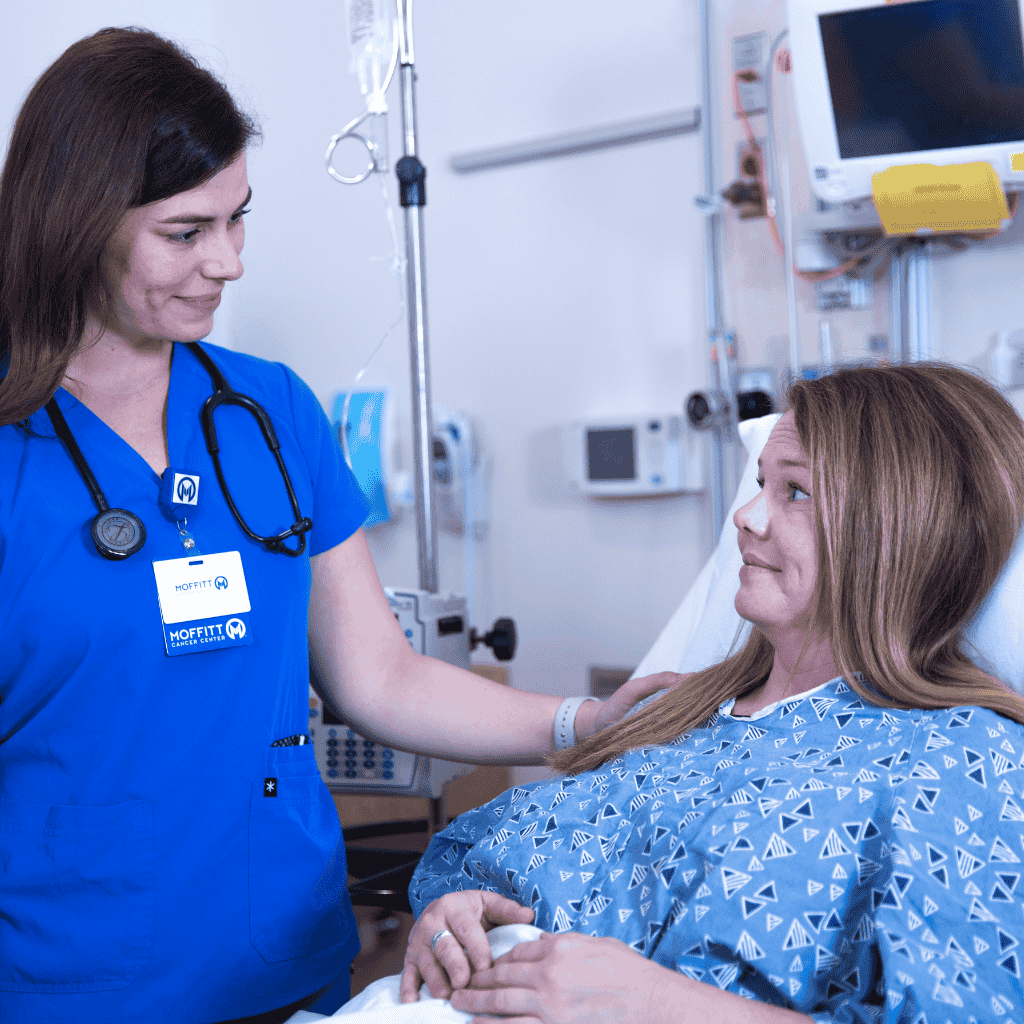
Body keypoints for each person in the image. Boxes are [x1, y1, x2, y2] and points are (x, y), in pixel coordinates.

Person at [0, 27, 674, 1024]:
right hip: (78, 978)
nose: (226, 263)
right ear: (77, 222)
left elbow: (381, 676)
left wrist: (575, 724)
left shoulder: (271, 413)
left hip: (288, 957)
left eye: (238, 220)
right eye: (185, 233)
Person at [403, 362, 1024, 1023]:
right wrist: (460, 916)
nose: (747, 518)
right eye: (761, 484)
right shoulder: (676, 710)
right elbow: (484, 866)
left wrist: (655, 1005)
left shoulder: (959, 756)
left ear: (897, 531)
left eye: (797, 493)